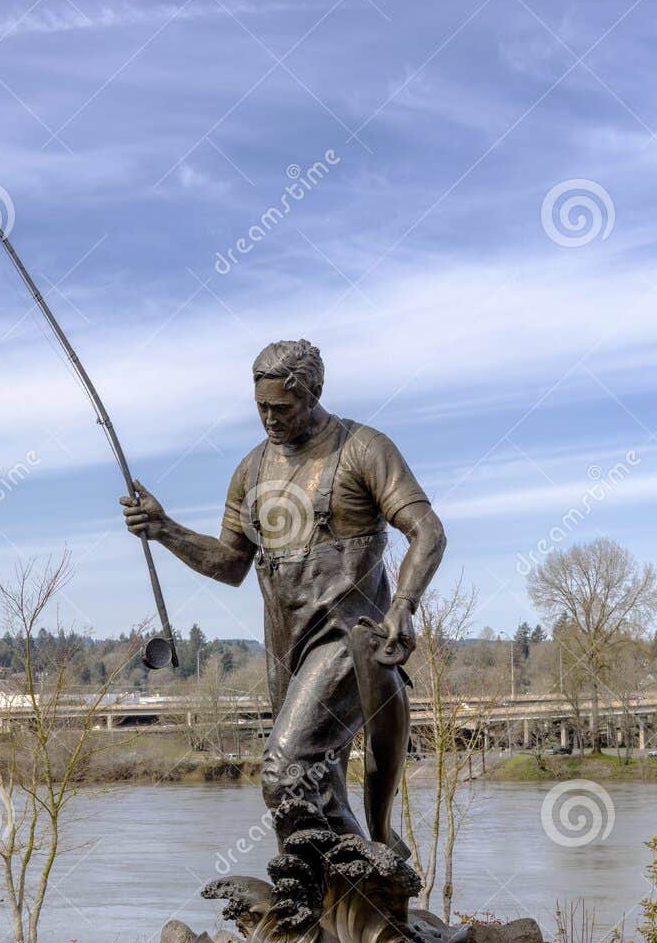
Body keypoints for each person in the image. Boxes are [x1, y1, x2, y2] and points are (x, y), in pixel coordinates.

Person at [121, 339, 446, 858]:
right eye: (261, 408)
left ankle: (335, 891)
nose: (270, 418)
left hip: (348, 636)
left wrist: (404, 603)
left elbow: (427, 531)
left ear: (314, 392)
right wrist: (165, 530)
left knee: (284, 768)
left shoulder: (363, 449)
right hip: (285, 642)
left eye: (282, 407)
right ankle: (344, 899)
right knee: (315, 785)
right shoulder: (250, 472)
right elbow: (230, 564)